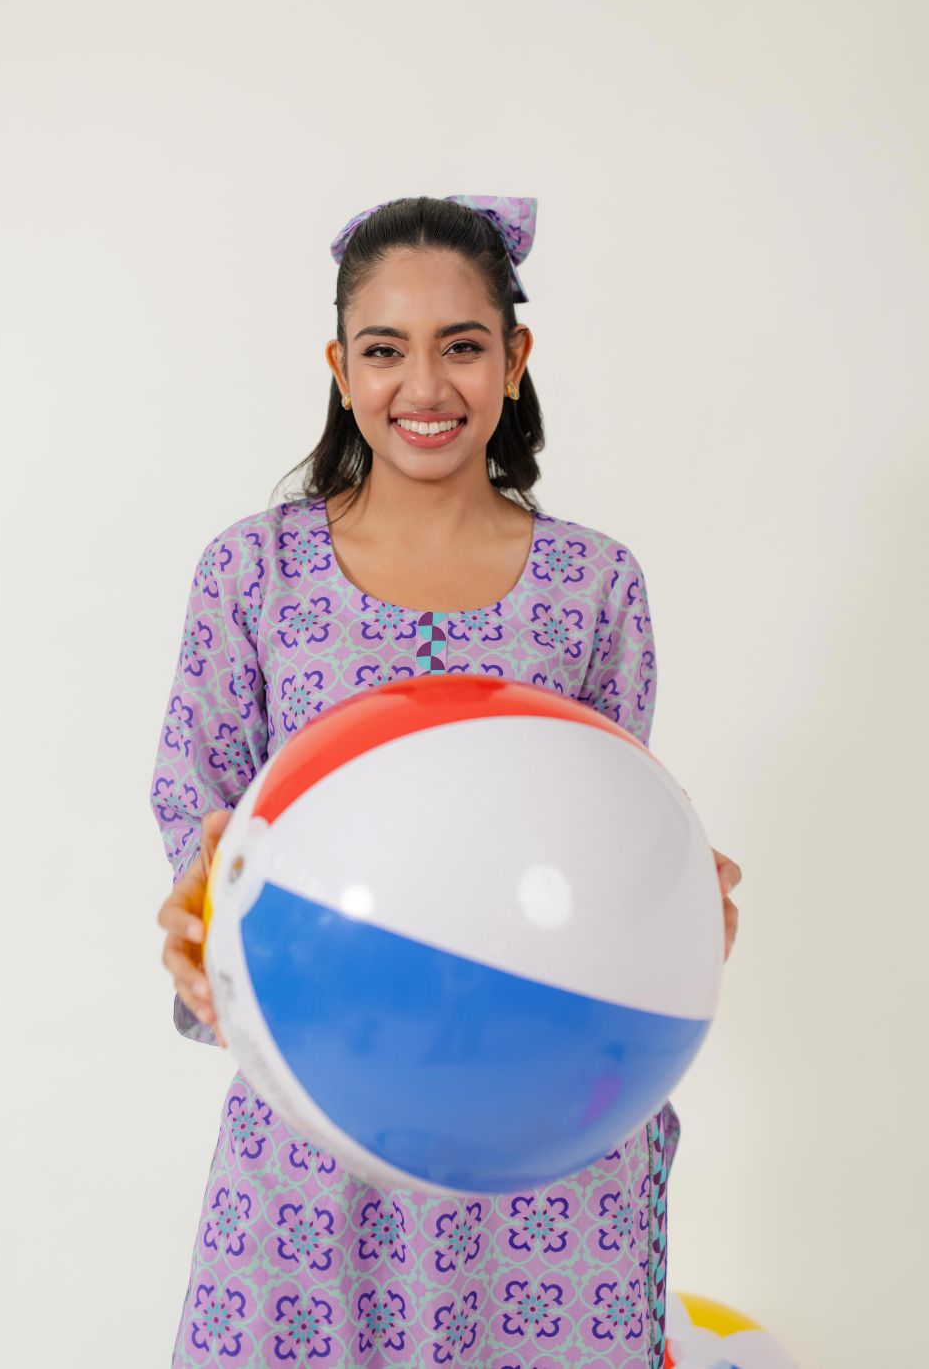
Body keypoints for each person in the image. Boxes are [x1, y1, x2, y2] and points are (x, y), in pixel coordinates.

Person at [150, 193, 742, 1368]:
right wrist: (198, 923)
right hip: (323, 1115)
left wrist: (673, 904)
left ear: (514, 360)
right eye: (384, 350)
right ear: (340, 369)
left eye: (461, 345)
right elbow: (201, 815)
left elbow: (608, 835)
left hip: (547, 1132)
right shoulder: (252, 572)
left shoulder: (593, 585)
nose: (424, 385)